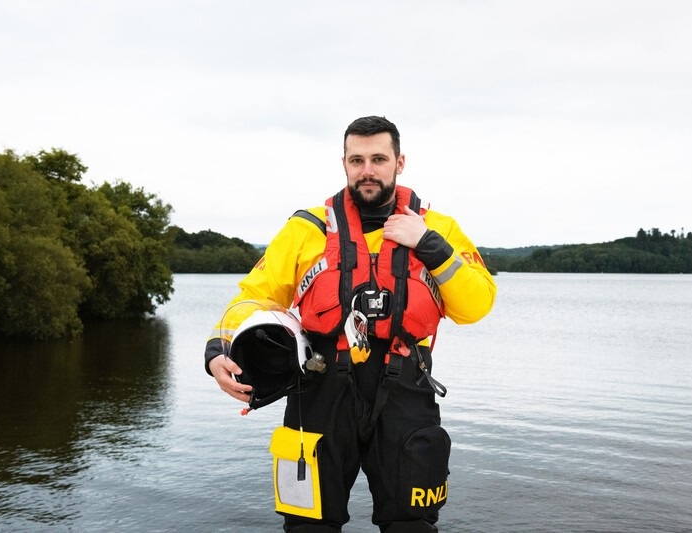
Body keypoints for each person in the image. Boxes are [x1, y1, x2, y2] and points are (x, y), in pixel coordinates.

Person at [204, 116, 497, 532]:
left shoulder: (439, 228)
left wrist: (429, 245)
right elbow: (253, 296)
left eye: (379, 158)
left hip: (405, 390)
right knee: (308, 526)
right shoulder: (307, 228)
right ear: (343, 163)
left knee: (410, 525)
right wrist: (218, 350)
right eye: (357, 159)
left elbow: (477, 305)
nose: (367, 170)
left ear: (400, 162)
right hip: (320, 391)